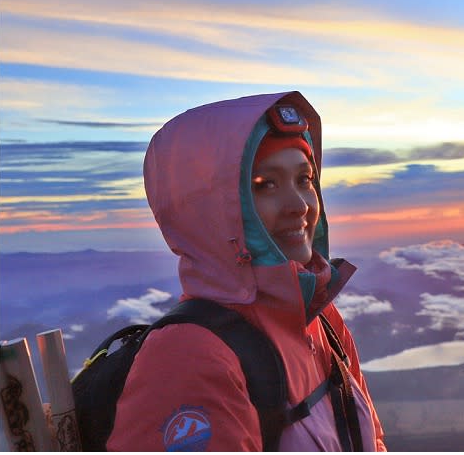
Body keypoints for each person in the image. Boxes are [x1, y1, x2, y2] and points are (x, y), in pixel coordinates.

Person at [107, 92, 386, 451]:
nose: (299, 205)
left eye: (304, 179)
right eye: (264, 185)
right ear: (211, 212)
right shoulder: (188, 358)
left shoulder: (321, 319)